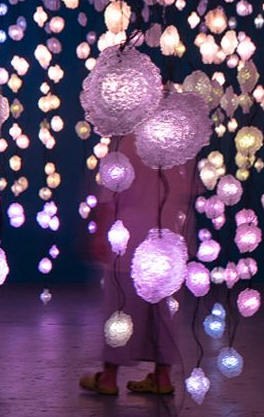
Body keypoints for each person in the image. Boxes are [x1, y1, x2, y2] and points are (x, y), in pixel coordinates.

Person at [81, 131, 192, 396]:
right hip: (170, 237)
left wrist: (100, 234)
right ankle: (162, 377)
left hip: (128, 235)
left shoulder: (125, 141)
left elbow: (109, 195)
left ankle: (109, 378)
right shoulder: (178, 140)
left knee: (120, 307)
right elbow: (188, 190)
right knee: (165, 310)